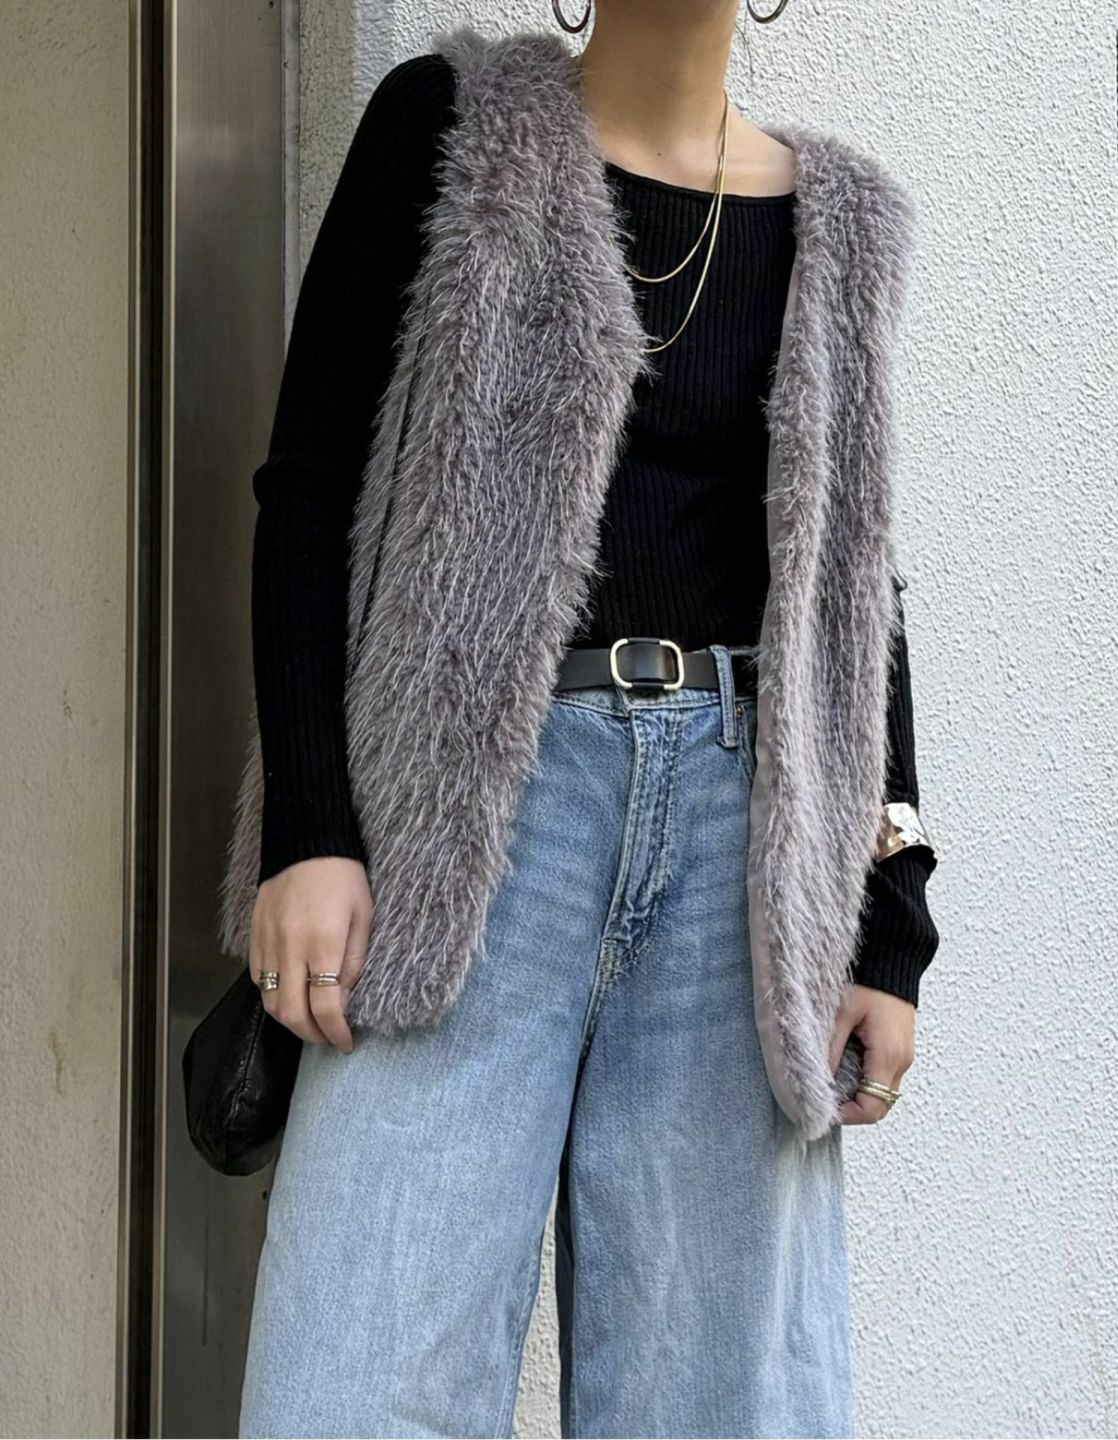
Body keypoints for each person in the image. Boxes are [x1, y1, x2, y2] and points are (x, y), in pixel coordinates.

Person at [231, 3, 939, 1435]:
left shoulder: (845, 224)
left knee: (719, 1394)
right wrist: (310, 827)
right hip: (468, 826)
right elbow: (309, 490)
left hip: (746, 849)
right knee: (360, 1371)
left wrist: (892, 911)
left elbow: (856, 584)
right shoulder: (452, 125)